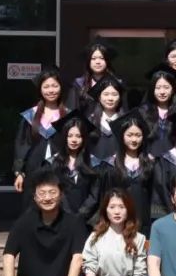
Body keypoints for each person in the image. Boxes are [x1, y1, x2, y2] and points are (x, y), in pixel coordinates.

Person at [13, 66, 66, 203]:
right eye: (46, 87)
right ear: (40, 90)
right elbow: (22, 144)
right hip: (33, 168)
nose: (51, 90)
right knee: (32, 205)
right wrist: (19, 172)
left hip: (61, 169)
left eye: (55, 86)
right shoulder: (30, 115)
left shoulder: (68, 114)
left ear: (61, 87)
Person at [101, 110, 156, 235]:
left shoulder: (150, 164)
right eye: (129, 135)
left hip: (144, 222)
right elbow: (105, 197)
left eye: (138, 135)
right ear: (122, 136)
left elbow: (154, 195)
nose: (134, 139)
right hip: (117, 224)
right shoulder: (111, 164)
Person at [48, 111, 100, 230]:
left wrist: (81, 214)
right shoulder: (54, 163)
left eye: (78, 136)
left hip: (85, 221)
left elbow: (95, 194)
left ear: (84, 138)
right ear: (64, 137)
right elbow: (53, 189)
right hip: (60, 218)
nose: (74, 140)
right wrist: (66, 213)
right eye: (70, 136)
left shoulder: (93, 163)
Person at [66, 40, 118, 115]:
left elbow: (123, 113)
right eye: (93, 58)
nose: (98, 62)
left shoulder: (116, 84)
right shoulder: (79, 85)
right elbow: (71, 113)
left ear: (107, 61)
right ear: (88, 61)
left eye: (102, 58)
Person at [141, 64, 176, 157]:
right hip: (149, 161)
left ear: (173, 89)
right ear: (152, 90)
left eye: (166, 87)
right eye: (158, 88)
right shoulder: (142, 112)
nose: (162, 92)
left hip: (173, 162)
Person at [88, 76, 126, 161]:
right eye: (106, 94)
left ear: (120, 97)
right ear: (99, 97)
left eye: (114, 94)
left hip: (119, 166)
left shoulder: (126, 122)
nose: (110, 98)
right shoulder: (90, 121)